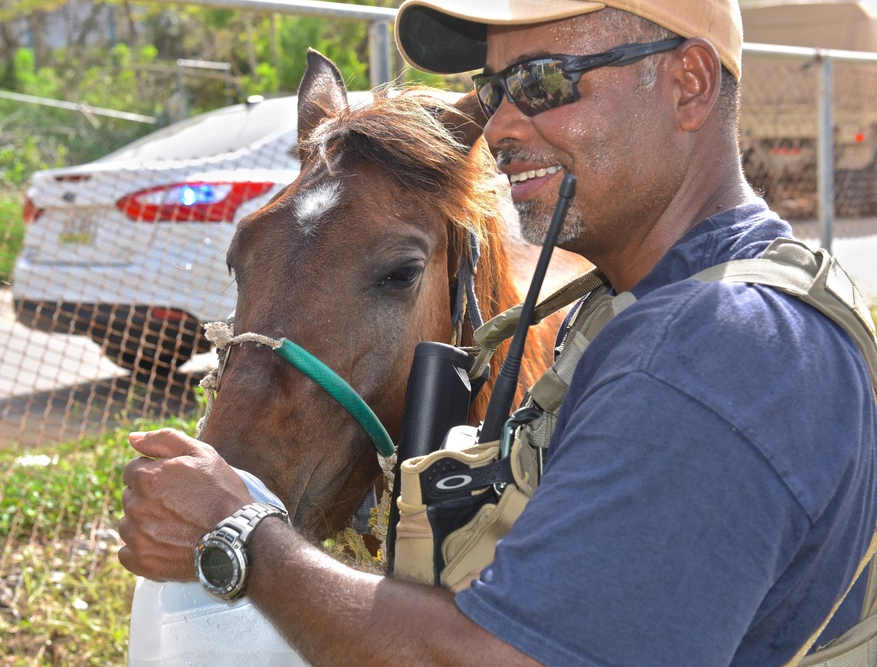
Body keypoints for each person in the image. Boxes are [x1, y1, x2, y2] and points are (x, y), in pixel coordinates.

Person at [118, 1, 877, 664]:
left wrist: (245, 536)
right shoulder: (665, 295)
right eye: (496, 88)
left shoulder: (711, 354)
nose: (502, 125)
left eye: (545, 82)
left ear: (689, 84)